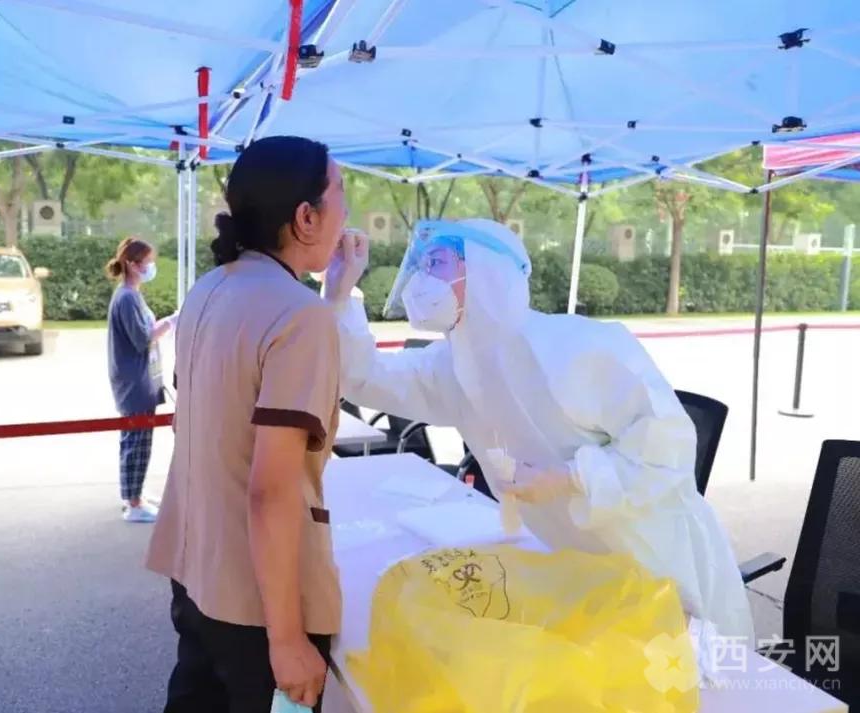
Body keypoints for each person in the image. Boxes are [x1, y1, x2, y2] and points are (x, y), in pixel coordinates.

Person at [323, 218, 755, 641]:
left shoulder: (573, 348)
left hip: (661, 569)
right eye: (420, 266)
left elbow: (670, 448)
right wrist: (340, 295)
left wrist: (570, 478)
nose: (421, 279)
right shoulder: (455, 366)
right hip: (578, 570)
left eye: (437, 263)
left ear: (488, 272)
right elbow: (366, 377)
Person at [146, 135, 347, 712]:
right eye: (341, 195)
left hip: (196, 570)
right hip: (257, 604)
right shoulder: (299, 316)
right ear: (307, 217)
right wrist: (286, 639)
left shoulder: (211, 288)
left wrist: (337, 291)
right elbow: (271, 489)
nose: (346, 213)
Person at [105, 236, 176, 523]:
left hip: (139, 378)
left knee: (136, 439)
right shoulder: (127, 298)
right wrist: (172, 321)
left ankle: (134, 493)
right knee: (137, 440)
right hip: (134, 381)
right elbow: (142, 338)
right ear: (133, 265)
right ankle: (133, 502)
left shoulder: (130, 295)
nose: (150, 267)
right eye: (147, 262)